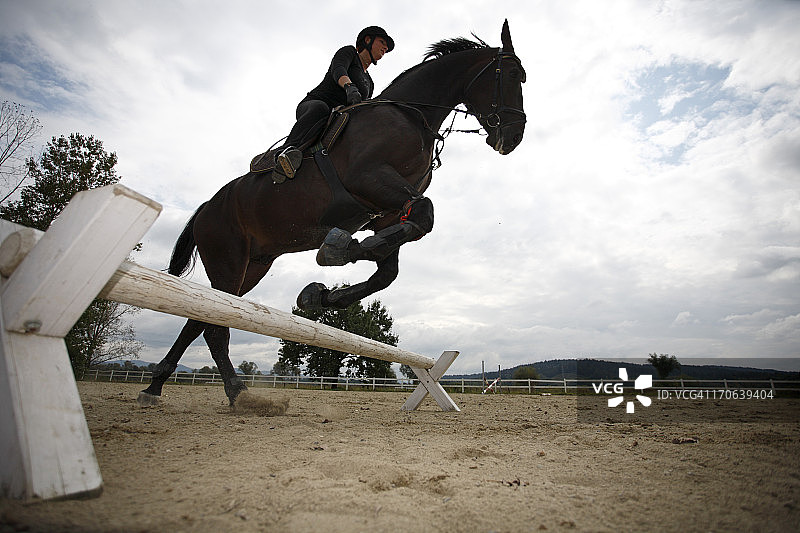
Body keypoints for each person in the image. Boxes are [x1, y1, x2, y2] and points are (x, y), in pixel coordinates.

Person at [274, 26, 395, 181]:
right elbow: (338, 69)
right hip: (314, 106)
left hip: (337, 120)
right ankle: (286, 152)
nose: (385, 47)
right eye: (382, 42)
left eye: (386, 46)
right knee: (321, 109)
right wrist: (349, 87)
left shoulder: (369, 83)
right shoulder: (349, 52)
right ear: (367, 40)